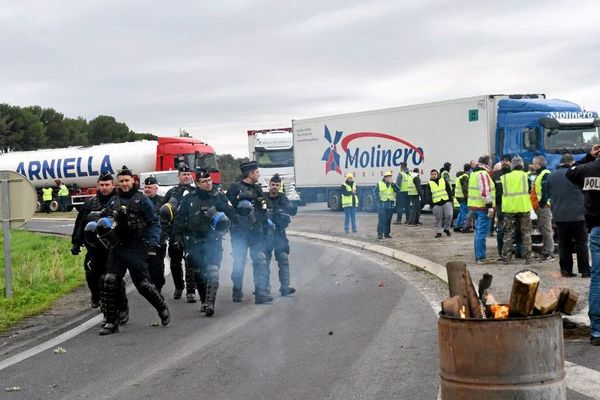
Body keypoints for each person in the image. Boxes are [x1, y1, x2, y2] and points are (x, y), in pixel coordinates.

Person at [98, 166, 169, 335]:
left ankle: (162, 307)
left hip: (136, 247)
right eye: (121, 181)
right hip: (117, 247)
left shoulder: (142, 200)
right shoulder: (113, 201)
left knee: (143, 285)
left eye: (127, 180)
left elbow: (154, 223)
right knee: (110, 281)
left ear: (133, 181)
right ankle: (111, 321)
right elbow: (105, 222)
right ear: (118, 182)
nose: (124, 184)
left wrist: (152, 243)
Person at [173, 168, 236, 316]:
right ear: (197, 183)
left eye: (209, 180)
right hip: (194, 241)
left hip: (212, 240)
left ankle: (210, 303)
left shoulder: (218, 197)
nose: (208, 184)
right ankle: (203, 300)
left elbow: (232, 214)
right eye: (204, 181)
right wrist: (177, 236)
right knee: (198, 274)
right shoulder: (189, 199)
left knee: (213, 271)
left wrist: (219, 213)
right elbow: (180, 219)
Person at [566, 143, 600, 346]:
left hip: (597, 230)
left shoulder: (587, 170)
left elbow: (570, 172)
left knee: (597, 279)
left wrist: (588, 157)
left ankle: (597, 331)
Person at [226, 161, 272, 304]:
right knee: (239, 261)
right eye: (257, 172)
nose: (258, 174)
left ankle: (260, 292)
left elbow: (264, 207)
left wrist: (266, 225)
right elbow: (227, 207)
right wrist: (239, 198)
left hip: (256, 231)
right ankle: (237, 289)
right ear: (250, 173)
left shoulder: (257, 188)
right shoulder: (235, 188)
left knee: (260, 260)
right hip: (240, 232)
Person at [71, 172, 116, 309]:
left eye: (107, 185)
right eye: (102, 185)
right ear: (98, 185)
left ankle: (112, 305)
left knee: (109, 278)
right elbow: (80, 224)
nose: (104, 187)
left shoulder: (118, 202)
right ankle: (95, 296)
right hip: (93, 248)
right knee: (91, 275)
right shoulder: (89, 204)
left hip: (111, 249)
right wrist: (76, 243)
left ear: (113, 185)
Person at [549, 154, 591, 278]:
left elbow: (548, 193)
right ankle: (584, 270)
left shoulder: (551, 176)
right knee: (581, 243)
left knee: (564, 243)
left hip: (560, 216)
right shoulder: (577, 173)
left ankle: (566, 270)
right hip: (578, 215)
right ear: (572, 162)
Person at [164, 164, 197, 302]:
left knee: (190, 261)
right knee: (175, 262)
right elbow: (164, 213)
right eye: (184, 174)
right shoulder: (172, 192)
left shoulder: (196, 192)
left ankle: (191, 291)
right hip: (175, 231)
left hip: (191, 231)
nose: (187, 176)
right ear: (178, 176)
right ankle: (179, 286)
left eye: (188, 174)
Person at [264, 174, 298, 296]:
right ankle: (264, 288)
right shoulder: (263, 198)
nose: (274, 187)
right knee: (264, 262)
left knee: (283, 260)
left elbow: (292, 211)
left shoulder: (283, 198)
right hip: (266, 235)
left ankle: (285, 287)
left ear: (280, 186)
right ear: (269, 185)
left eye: (277, 185)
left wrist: (293, 207)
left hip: (280, 235)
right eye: (273, 184)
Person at [499, 155, 533, 264]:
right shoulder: (526, 176)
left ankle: (506, 258)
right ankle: (528, 257)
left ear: (512, 166)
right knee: (526, 233)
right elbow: (530, 190)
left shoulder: (504, 178)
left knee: (508, 233)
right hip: (523, 207)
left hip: (509, 209)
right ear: (522, 165)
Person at [468, 155, 495, 264]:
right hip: (483, 207)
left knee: (478, 232)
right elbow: (485, 191)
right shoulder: (483, 174)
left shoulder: (474, 173)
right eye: (491, 162)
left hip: (475, 207)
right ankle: (481, 257)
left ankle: (478, 256)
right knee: (482, 233)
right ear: (487, 163)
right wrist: (489, 207)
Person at [143, 176, 168, 292]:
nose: (147, 189)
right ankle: (151, 286)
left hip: (160, 239)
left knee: (158, 265)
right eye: (145, 187)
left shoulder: (163, 201)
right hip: (144, 239)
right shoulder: (141, 201)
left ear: (156, 188)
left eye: (150, 187)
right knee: (147, 265)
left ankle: (158, 285)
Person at [532, 155, 555, 261]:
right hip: (541, 206)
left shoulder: (545, 174)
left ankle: (549, 252)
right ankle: (546, 251)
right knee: (543, 229)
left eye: (534, 163)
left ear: (538, 164)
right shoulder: (541, 174)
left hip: (544, 206)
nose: (533, 165)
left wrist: (542, 203)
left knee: (546, 229)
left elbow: (545, 190)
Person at [375, 171, 401, 239]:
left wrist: (393, 184)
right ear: (385, 178)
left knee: (388, 220)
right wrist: (378, 200)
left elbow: (398, 190)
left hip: (390, 205)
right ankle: (380, 234)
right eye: (388, 177)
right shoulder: (379, 183)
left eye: (390, 177)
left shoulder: (392, 184)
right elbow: (375, 192)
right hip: (382, 205)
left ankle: (387, 234)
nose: (390, 178)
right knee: (381, 220)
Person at [428, 169, 453, 238]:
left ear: (437, 174)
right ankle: (438, 232)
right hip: (436, 204)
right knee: (438, 219)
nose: (434, 175)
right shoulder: (429, 184)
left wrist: (450, 200)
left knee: (449, 215)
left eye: (435, 174)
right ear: (431, 175)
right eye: (432, 174)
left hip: (446, 201)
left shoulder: (443, 180)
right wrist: (432, 205)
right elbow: (428, 195)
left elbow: (448, 189)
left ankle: (446, 229)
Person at [453, 164, 470, 232]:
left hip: (458, 196)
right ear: (469, 169)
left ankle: (458, 225)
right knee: (464, 212)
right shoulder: (465, 176)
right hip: (462, 196)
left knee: (462, 211)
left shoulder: (460, 176)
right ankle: (464, 226)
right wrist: (467, 197)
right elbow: (465, 188)